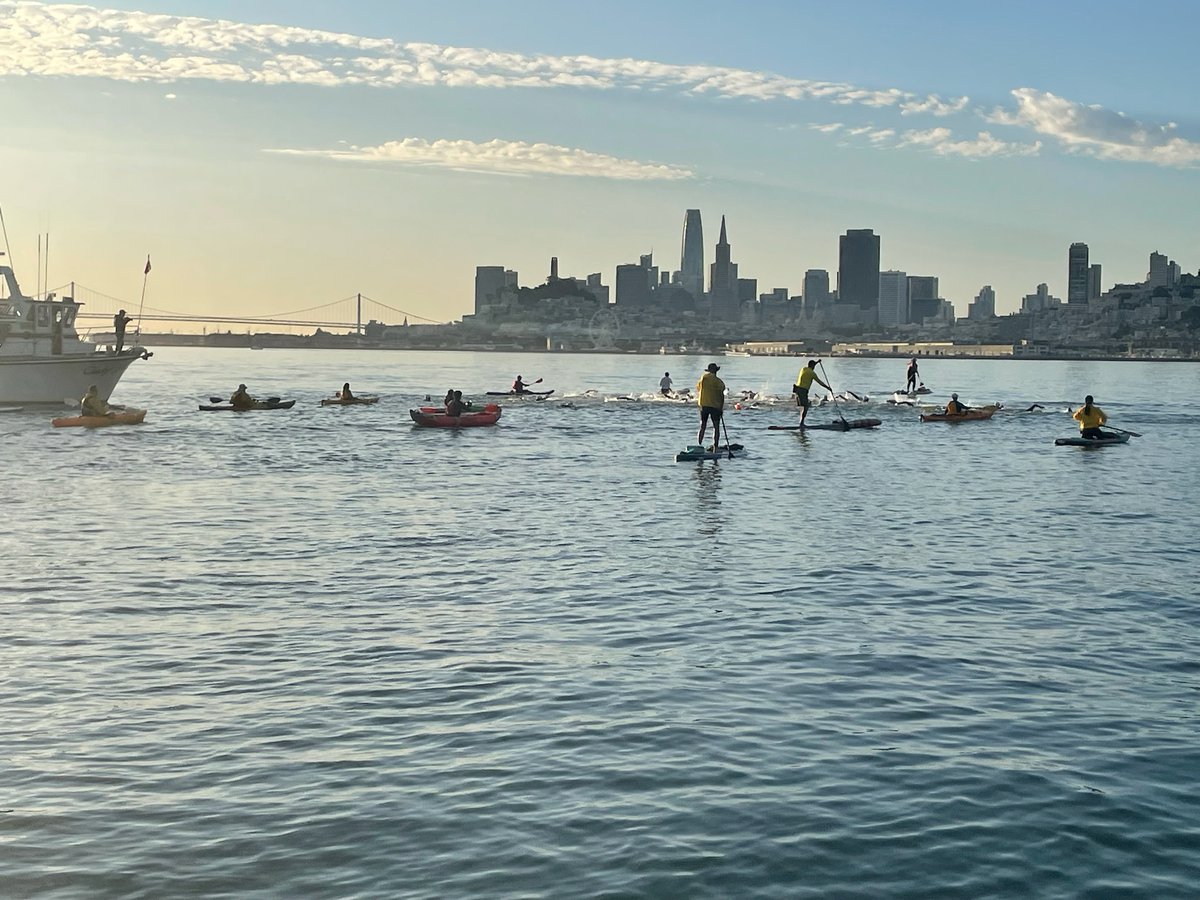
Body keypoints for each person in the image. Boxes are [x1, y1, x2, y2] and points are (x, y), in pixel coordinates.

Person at [695, 362, 726, 450]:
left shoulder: (703, 378)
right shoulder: (718, 381)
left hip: (704, 405)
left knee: (702, 425)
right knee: (716, 427)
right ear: (715, 371)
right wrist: (721, 408)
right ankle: (715, 446)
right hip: (715, 406)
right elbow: (721, 395)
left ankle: (699, 444)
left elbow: (698, 388)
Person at [793, 359, 831, 428]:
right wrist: (828, 388)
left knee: (803, 406)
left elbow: (812, 365)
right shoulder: (812, 373)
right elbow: (820, 382)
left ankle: (801, 422)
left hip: (796, 389)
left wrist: (817, 362)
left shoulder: (803, 369)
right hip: (803, 390)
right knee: (806, 406)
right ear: (813, 366)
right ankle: (801, 423)